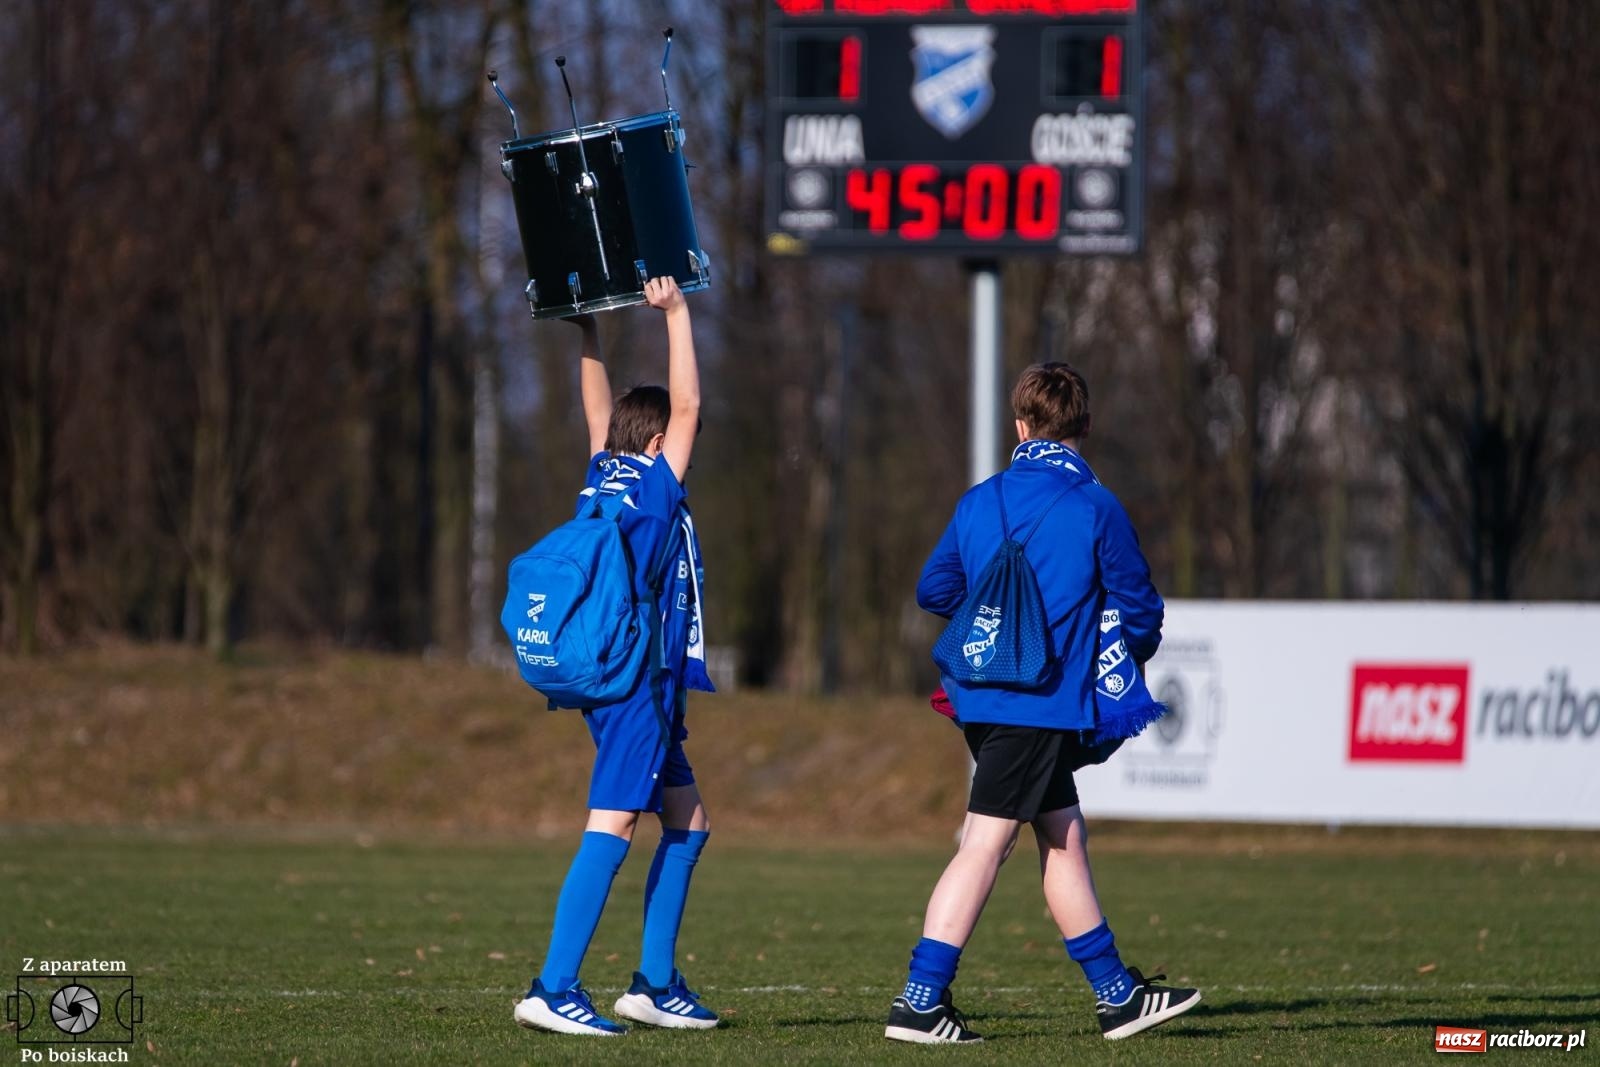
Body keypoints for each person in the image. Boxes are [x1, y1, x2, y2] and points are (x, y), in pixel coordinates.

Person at [884, 362, 1201, 1045]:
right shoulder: (1094, 505)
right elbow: (1141, 609)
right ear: (1082, 428)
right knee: (986, 843)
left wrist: (993, 609)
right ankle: (919, 1000)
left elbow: (933, 588)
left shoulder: (980, 499)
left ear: (1022, 427)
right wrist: (1116, 654)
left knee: (1063, 836)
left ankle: (1117, 996)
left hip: (978, 695)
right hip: (1042, 702)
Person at [514, 277, 719, 1037]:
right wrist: (678, 314)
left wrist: (587, 333)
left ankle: (655, 984)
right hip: (638, 683)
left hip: (612, 678)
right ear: (660, 442)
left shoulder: (603, 473)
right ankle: (553, 982)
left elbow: (594, 410)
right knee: (614, 823)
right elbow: (690, 405)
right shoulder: (659, 487)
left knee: (689, 822)